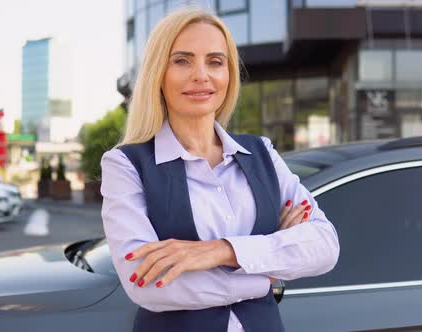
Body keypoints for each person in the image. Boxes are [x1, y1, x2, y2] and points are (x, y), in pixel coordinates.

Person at [101, 7, 340, 332]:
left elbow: (324, 245)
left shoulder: (262, 153)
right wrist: (268, 274)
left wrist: (221, 251)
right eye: (182, 60)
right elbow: (146, 282)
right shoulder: (126, 164)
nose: (201, 74)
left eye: (215, 61)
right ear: (158, 73)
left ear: (229, 74)